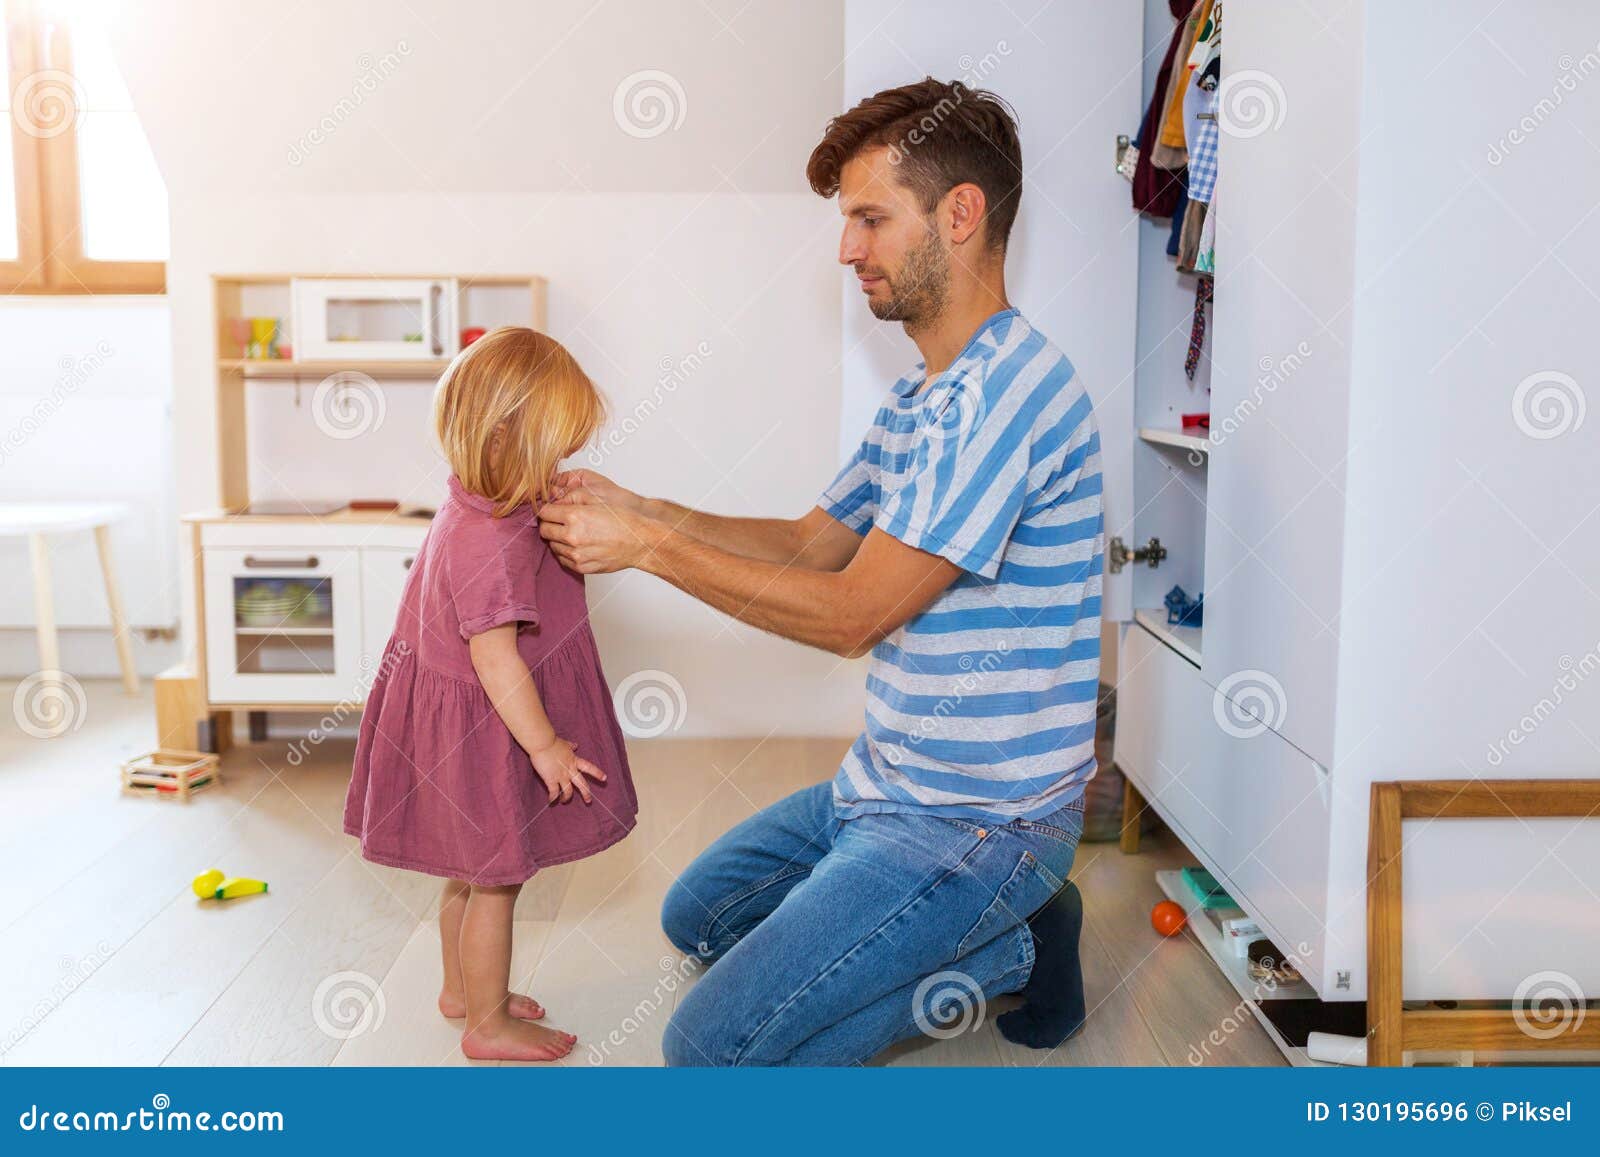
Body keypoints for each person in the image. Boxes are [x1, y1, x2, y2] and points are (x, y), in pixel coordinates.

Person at [539, 77, 1101, 1065]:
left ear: (959, 214)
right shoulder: (926, 395)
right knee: (696, 919)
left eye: (871, 219)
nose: (848, 249)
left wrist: (646, 551)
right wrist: (644, 508)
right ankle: (936, 924)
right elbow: (813, 541)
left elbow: (853, 614)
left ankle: (1019, 934)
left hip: (976, 825)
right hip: (879, 788)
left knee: (709, 1047)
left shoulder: (1005, 394)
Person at [343, 326, 639, 1062]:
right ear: (509, 439)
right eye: (554, 450)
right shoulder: (492, 539)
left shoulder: (474, 503)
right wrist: (544, 745)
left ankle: (462, 991)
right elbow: (496, 654)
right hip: (479, 724)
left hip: (449, 719)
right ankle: (488, 1024)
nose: (563, 463)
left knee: (464, 870)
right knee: (499, 880)